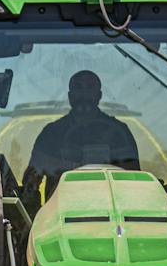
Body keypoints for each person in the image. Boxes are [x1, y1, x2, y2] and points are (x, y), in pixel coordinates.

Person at [24, 70, 140, 201]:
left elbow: (134, 179)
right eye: (79, 88)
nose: (84, 94)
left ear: (99, 95)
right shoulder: (51, 133)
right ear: (70, 96)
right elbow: (31, 182)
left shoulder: (120, 133)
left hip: (113, 211)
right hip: (60, 213)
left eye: (90, 88)